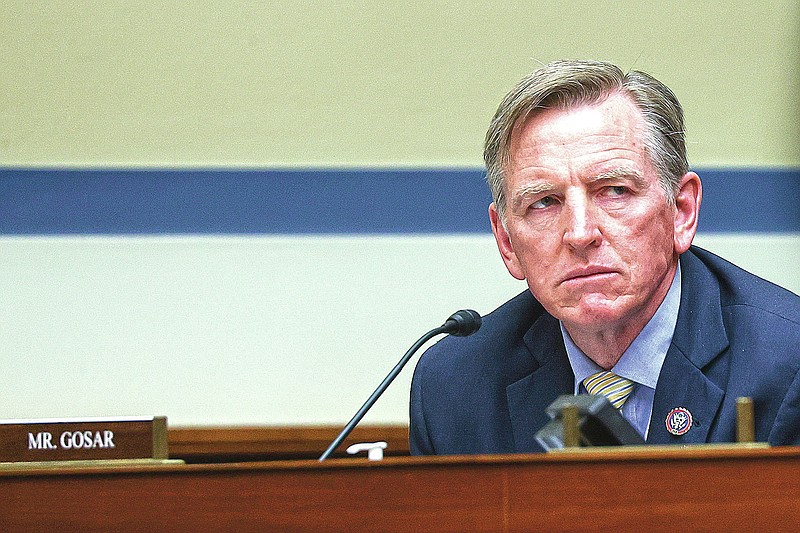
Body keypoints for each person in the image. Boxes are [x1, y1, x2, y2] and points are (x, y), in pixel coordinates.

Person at [409, 59, 800, 454]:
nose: (580, 234)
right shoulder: (454, 386)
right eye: (544, 202)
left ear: (681, 212)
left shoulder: (789, 361)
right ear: (507, 242)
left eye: (614, 191)